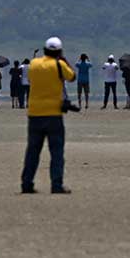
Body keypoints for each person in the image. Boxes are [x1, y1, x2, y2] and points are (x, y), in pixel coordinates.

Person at [20, 36, 75, 194]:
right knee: (56, 152)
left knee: (32, 151)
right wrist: (63, 60)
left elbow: (31, 78)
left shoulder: (34, 64)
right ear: (59, 51)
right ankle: (56, 185)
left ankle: (26, 183)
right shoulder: (59, 65)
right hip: (53, 114)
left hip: (35, 113)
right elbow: (71, 77)